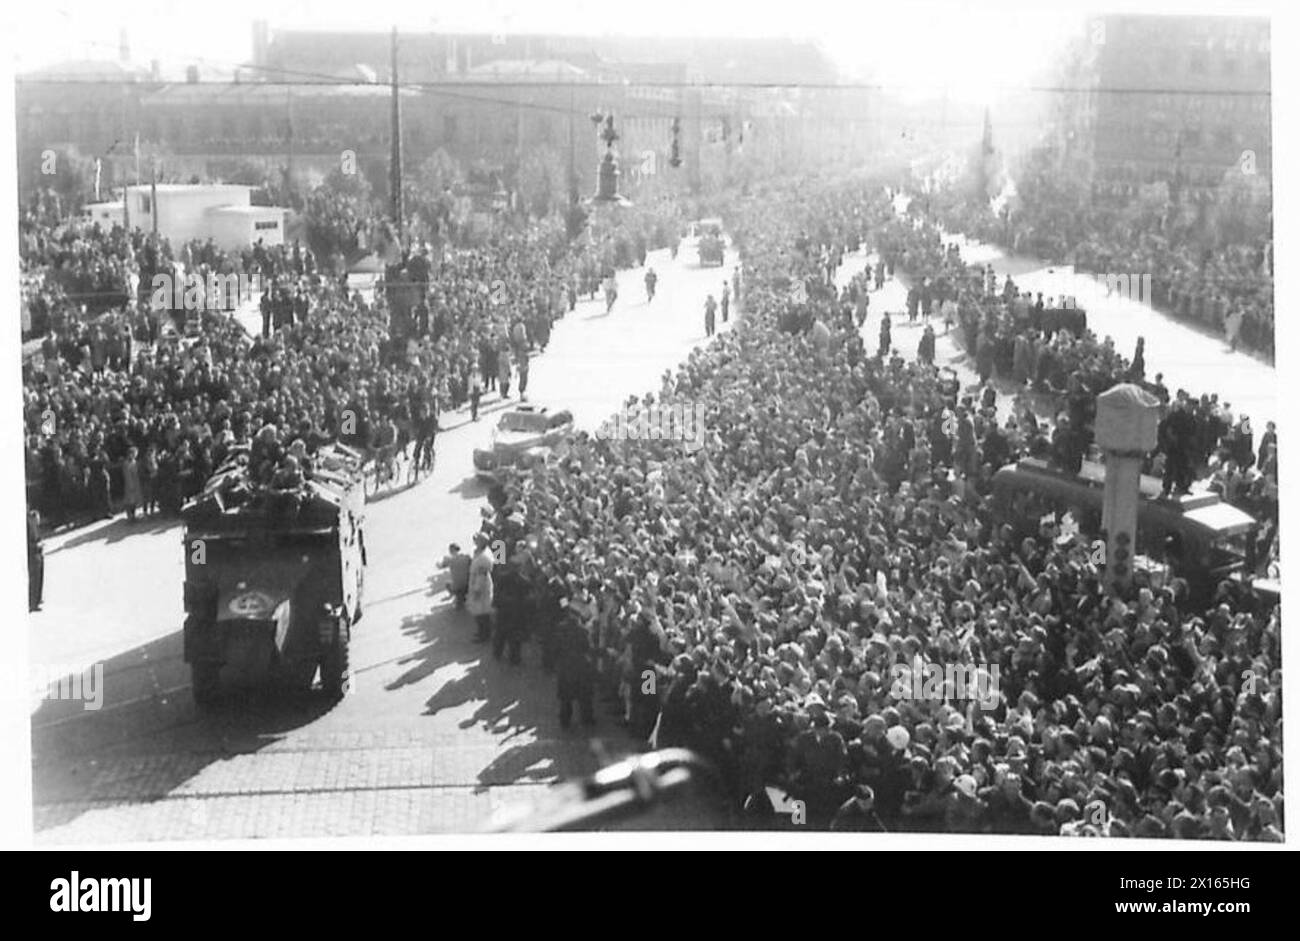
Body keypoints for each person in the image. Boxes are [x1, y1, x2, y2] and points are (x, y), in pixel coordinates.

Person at [555, 604, 596, 729]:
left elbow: (555, 648)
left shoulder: (560, 628)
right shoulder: (583, 631)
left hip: (565, 666)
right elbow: (587, 648)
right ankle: (587, 718)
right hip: (580, 666)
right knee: (584, 696)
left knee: (565, 697)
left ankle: (565, 720)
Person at [467, 533, 496, 642]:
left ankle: (484, 634)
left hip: (481, 587)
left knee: (481, 613)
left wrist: (477, 590)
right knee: (480, 612)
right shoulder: (480, 553)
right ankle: (482, 632)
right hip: (477, 583)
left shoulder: (484, 558)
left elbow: (481, 576)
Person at [441, 543, 471, 609]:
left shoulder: (449, 559)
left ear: (451, 550)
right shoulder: (467, 556)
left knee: (447, 584)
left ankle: (457, 596)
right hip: (469, 584)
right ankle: (461, 597)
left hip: (457, 586)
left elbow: (441, 566)